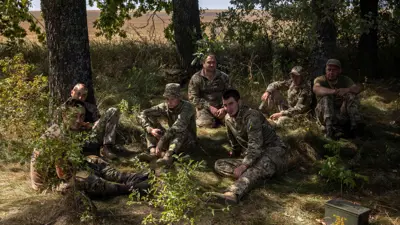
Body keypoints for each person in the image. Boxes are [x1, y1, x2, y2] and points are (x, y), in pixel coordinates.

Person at [31, 98, 148, 197]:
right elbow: (63, 174)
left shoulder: (68, 129)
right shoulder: (58, 136)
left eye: (81, 116)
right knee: (86, 179)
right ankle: (128, 189)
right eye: (74, 116)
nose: (78, 120)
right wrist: (88, 172)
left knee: (93, 159)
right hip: (50, 185)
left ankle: (127, 177)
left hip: (61, 173)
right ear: (65, 115)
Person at [210, 89, 288, 204]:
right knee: (219, 164)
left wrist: (243, 166)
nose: (228, 108)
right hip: (256, 155)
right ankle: (257, 176)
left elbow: (255, 146)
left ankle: (232, 194)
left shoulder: (252, 116)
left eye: (231, 103)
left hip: (274, 153)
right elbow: (234, 143)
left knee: (253, 168)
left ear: (239, 102)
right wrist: (235, 153)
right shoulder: (228, 119)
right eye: (225, 105)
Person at [138, 83, 197, 165]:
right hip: (171, 138)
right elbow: (143, 113)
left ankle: (168, 157)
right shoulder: (165, 106)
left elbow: (178, 125)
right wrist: (150, 129)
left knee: (180, 131)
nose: (169, 102)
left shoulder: (188, 107)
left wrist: (162, 141)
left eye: (172, 99)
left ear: (179, 98)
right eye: (167, 99)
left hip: (187, 141)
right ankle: (153, 153)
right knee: (151, 122)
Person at [58, 83, 120, 159]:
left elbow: (97, 123)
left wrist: (89, 125)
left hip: (90, 136)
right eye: (78, 94)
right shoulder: (63, 108)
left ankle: (107, 147)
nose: (80, 97)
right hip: (71, 138)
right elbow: (58, 126)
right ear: (72, 92)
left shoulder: (91, 108)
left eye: (84, 95)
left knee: (113, 110)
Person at [313, 59, 364, 138]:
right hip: (324, 115)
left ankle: (355, 126)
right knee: (326, 98)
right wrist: (334, 91)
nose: (331, 72)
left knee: (351, 96)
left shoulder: (345, 80)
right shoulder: (320, 79)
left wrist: (347, 90)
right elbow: (316, 89)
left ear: (339, 71)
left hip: (341, 113)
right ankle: (329, 130)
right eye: (329, 70)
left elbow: (358, 88)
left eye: (334, 70)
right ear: (325, 70)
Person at [188, 53, 232, 128]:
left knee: (232, 122)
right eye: (209, 62)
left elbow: (231, 94)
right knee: (206, 124)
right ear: (203, 63)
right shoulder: (196, 78)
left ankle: (221, 120)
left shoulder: (224, 77)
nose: (212, 65)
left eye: (213, 62)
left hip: (223, 107)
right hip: (205, 108)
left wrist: (224, 108)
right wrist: (209, 107)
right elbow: (193, 98)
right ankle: (213, 120)